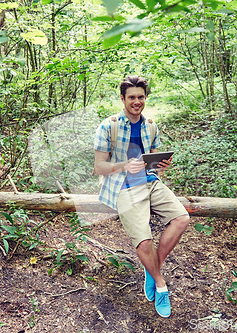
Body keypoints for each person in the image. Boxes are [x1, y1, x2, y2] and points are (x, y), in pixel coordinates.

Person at [93, 75, 190, 318]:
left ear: (145, 98)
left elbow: (153, 160)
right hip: (123, 187)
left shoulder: (151, 125)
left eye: (141, 97)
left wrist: (161, 165)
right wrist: (125, 165)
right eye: (132, 97)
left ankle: (150, 267)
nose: (137, 102)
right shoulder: (109, 126)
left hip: (150, 182)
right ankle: (160, 283)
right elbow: (99, 167)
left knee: (181, 219)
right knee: (144, 241)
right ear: (123, 99)